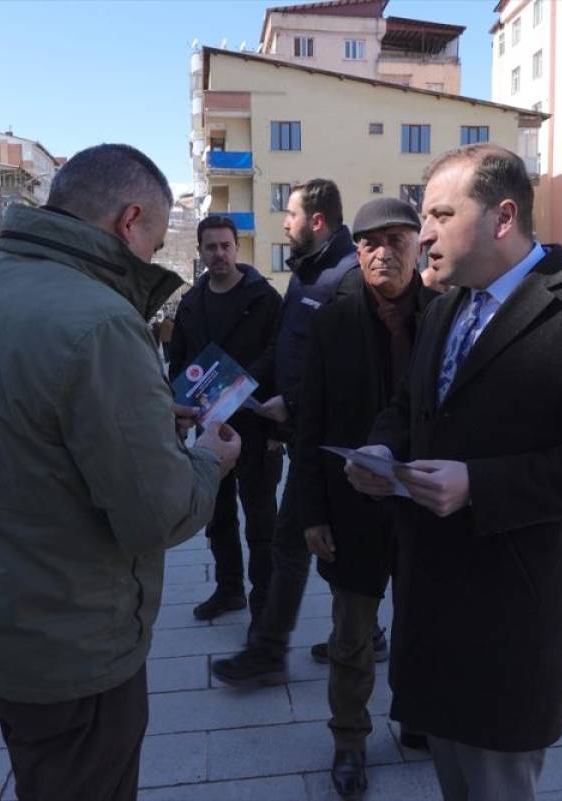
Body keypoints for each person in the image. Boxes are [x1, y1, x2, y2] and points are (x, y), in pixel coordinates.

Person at [0, 144, 238, 801]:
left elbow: (30, 430)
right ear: (130, 221)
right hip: (74, 644)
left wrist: (146, 415)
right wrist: (209, 457)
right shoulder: (100, 321)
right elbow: (157, 512)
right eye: (155, 241)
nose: (152, 259)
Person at [346, 144, 562, 801]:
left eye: (439, 214)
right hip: (431, 605)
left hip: (508, 620)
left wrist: (479, 485)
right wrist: (379, 451)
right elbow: (409, 407)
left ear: (503, 217)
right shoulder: (448, 305)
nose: (421, 232)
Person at [295, 197, 437, 798]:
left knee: (423, 624)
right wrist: (310, 512)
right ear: (358, 250)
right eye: (371, 242)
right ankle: (349, 740)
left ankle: (416, 716)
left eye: (396, 240)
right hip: (349, 504)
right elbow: (308, 423)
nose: (384, 252)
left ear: (418, 246)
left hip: (424, 502)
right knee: (353, 636)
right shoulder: (331, 318)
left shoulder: (445, 314)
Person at [211, 178, 363, 687]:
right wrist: (249, 391)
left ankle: (270, 651)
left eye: (290, 214)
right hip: (301, 432)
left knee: (294, 542)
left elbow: (348, 369)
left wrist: (292, 403)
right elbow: (287, 348)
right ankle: (355, 638)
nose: (284, 222)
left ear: (316, 222)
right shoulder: (306, 274)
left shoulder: (348, 278)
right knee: (308, 542)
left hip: (334, 438)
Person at [168, 215, 283, 625]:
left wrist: (240, 389)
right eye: (210, 247)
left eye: (225, 246)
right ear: (200, 252)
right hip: (210, 427)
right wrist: (179, 409)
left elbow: (279, 356)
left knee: (260, 519)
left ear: (237, 248)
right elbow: (178, 360)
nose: (218, 253)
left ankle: (265, 602)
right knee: (216, 515)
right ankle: (229, 588)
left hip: (256, 424)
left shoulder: (264, 298)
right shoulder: (191, 302)